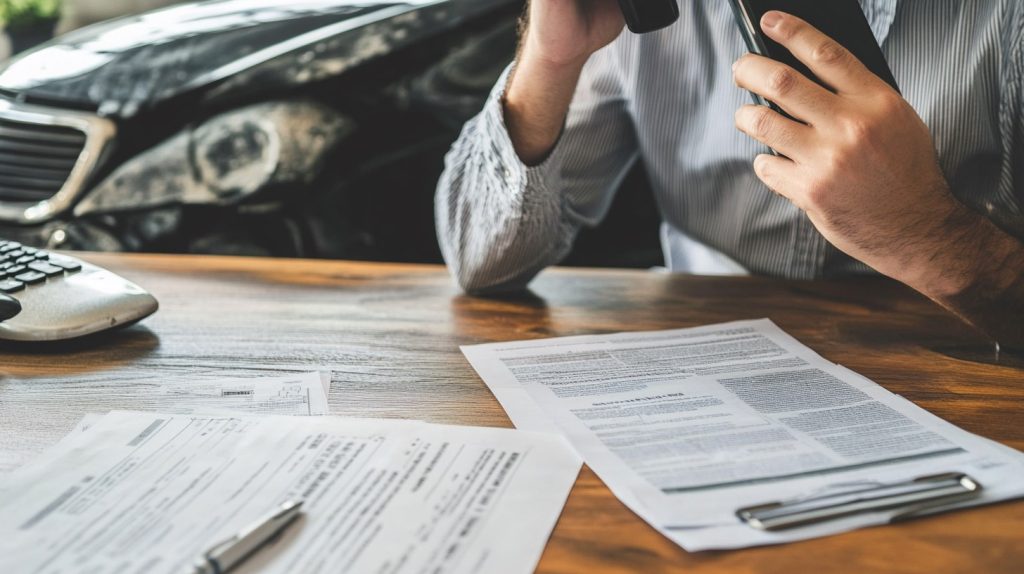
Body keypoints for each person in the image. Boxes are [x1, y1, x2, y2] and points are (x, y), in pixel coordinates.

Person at [435, 0, 1024, 348]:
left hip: (971, 366)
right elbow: (482, 260)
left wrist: (924, 237)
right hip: (705, 362)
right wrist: (548, 59)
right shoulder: (637, 16)